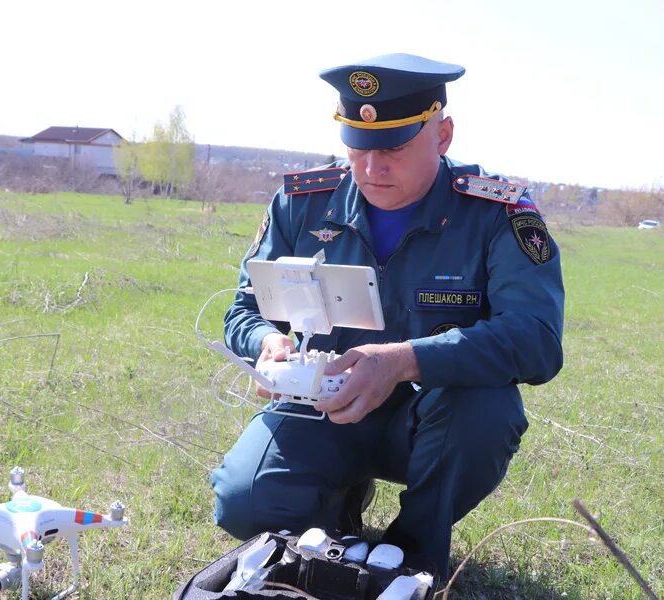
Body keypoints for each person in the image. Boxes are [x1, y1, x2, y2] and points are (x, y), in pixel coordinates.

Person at [210, 53, 565, 579]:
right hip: (323, 408)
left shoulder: (496, 212)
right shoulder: (302, 203)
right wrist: (265, 342)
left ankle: (413, 551)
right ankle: (334, 519)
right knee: (243, 503)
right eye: (358, 148)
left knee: (488, 409)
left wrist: (404, 361)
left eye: (394, 148)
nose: (373, 168)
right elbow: (243, 310)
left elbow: (536, 339)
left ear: (442, 135)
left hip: (432, 421)